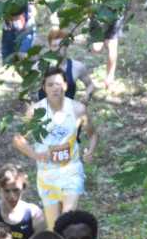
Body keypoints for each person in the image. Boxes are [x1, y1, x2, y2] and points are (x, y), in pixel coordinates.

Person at [13, 66, 97, 229]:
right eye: (50, 85)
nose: (54, 88)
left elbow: (93, 134)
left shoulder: (78, 109)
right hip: (47, 174)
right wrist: (36, 155)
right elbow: (18, 138)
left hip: (71, 170)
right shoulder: (35, 111)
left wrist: (90, 151)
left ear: (65, 86)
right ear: (44, 88)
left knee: (66, 220)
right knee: (53, 228)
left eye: (58, 84)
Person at [36, 29, 96, 103]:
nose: (58, 49)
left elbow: (90, 85)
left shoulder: (77, 67)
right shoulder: (39, 67)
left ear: (66, 46)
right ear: (50, 47)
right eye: (54, 46)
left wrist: (86, 97)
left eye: (61, 46)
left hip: (68, 112)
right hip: (45, 112)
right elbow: (29, 89)